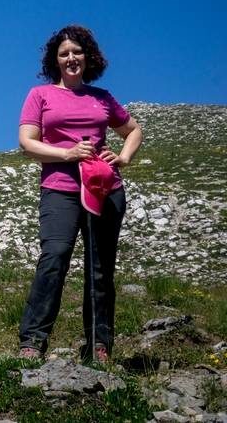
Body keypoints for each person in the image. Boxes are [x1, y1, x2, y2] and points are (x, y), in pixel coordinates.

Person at [16, 25, 143, 363]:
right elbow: (27, 142)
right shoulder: (39, 95)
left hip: (105, 188)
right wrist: (67, 154)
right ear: (55, 61)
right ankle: (32, 341)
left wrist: (124, 157)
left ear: (88, 57)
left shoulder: (102, 98)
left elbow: (132, 130)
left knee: (100, 268)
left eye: (77, 52)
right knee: (54, 256)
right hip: (60, 189)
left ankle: (99, 347)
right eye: (64, 53)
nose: (71, 58)